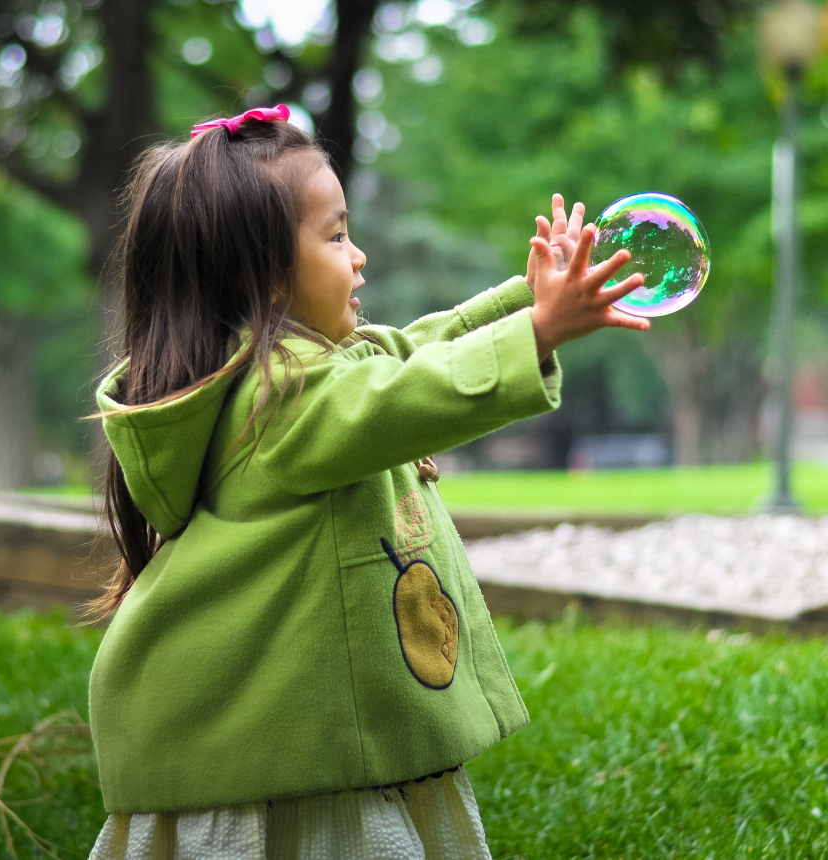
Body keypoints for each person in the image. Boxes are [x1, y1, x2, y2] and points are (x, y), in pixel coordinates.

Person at [84, 104, 648, 860]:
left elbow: (416, 346)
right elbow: (410, 393)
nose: (360, 258)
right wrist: (538, 333)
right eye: (337, 235)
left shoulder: (303, 372)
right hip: (288, 773)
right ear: (267, 276)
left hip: (311, 746)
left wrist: (526, 297)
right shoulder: (279, 401)